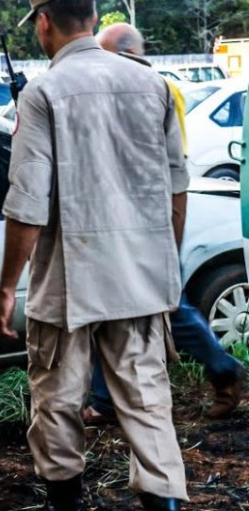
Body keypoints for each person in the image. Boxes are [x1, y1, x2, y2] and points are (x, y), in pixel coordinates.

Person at [0, 0, 189, 511]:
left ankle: (65, 503)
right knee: (147, 402)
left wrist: (7, 289)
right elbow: (177, 188)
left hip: (68, 283)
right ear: (95, 17)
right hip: (139, 276)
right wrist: (164, 264)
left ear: (44, 23)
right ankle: (162, 502)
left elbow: (27, 204)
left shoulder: (44, 92)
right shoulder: (155, 85)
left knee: (56, 401)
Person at [86, 23, 245, 422]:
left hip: (145, 219)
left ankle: (223, 369)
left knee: (161, 305)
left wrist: (170, 234)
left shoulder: (154, 90)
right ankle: (105, 397)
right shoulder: (137, 88)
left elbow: (173, 169)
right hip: (135, 217)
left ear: (123, 54)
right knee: (124, 307)